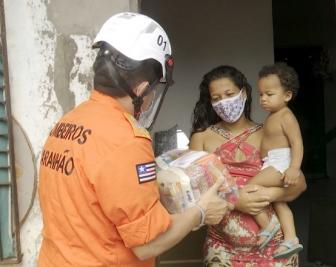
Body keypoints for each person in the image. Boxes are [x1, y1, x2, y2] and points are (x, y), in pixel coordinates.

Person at [37, 12, 229, 267]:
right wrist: (200, 212)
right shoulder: (126, 139)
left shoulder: (67, 122)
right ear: (141, 88)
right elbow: (148, 243)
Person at [190, 65, 307, 266]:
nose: (224, 102)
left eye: (229, 94)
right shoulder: (201, 138)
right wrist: (235, 201)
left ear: (243, 93)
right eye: (216, 98)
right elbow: (192, 192)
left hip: (275, 249)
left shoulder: (268, 132)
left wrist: (268, 195)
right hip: (223, 250)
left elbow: (298, 183)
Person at [246, 62, 304, 258]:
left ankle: (268, 225)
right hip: (272, 162)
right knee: (280, 203)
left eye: (269, 94)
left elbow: (297, 143)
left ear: (287, 95)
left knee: (250, 188)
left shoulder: (286, 116)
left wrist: (294, 168)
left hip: (281, 163)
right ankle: (291, 239)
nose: (263, 99)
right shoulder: (272, 116)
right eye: (261, 94)